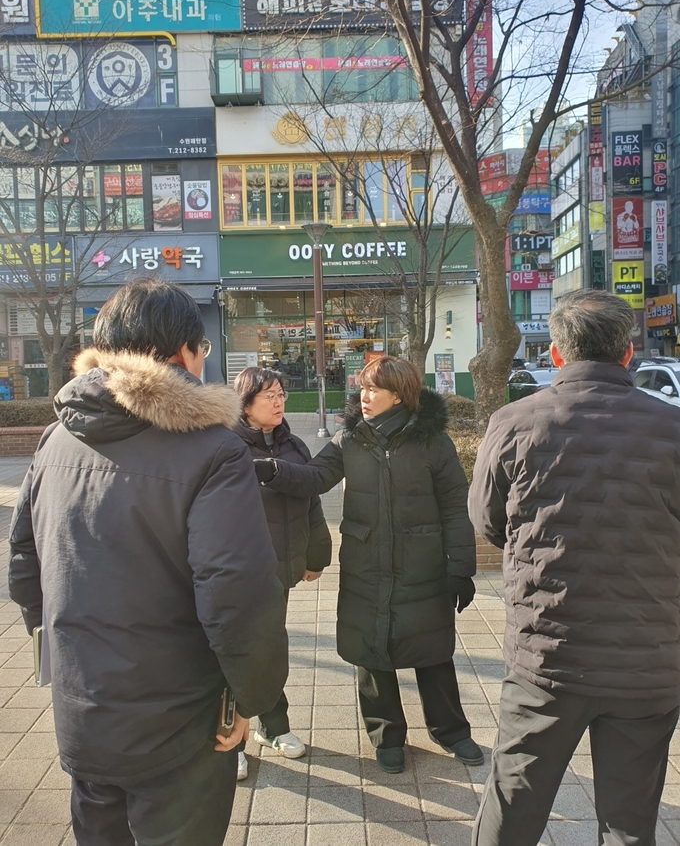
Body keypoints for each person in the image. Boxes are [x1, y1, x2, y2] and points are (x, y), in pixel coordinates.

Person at [8, 279, 288, 846]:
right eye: (202, 349)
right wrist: (250, 696)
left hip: (83, 706)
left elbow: (23, 565)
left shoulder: (57, 438)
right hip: (179, 721)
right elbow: (235, 594)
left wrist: (61, 657)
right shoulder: (213, 449)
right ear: (183, 352)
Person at [469, 289, 680, 846]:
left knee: (513, 806)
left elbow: (488, 521)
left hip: (547, 655)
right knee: (631, 821)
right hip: (648, 659)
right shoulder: (672, 428)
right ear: (627, 352)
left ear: (557, 353)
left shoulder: (514, 422)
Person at [255, 355, 482, 773]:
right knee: (371, 651)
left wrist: (461, 568)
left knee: (432, 651)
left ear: (399, 394)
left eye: (374, 388)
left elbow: (455, 506)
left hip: (422, 565)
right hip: (366, 563)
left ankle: (451, 731)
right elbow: (314, 477)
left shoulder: (433, 441)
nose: (364, 396)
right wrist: (273, 471)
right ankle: (386, 736)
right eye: (362, 387)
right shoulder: (350, 439)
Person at [232, 366, 332, 780]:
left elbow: (311, 501)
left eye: (281, 394)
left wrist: (316, 556)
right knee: (238, 654)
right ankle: (231, 743)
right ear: (245, 403)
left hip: (281, 571)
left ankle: (273, 727)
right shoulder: (228, 448)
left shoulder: (293, 445)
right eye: (268, 395)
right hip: (238, 575)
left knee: (269, 649)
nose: (278, 402)